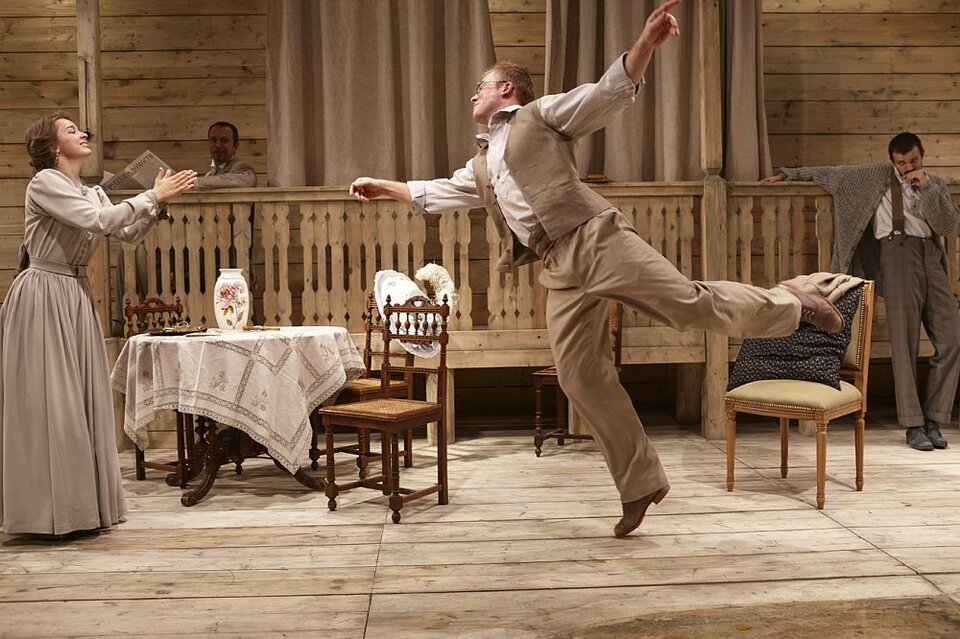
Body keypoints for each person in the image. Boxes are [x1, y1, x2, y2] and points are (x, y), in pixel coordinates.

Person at [348, 0, 844, 538]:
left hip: (594, 237)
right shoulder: (482, 162)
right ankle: (641, 482)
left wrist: (646, 43)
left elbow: (605, 95)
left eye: (481, 86)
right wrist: (385, 187)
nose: (473, 94)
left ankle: (794, 302)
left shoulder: (541, 115)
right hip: (557, 264)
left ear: (507, 89)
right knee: (579, 374)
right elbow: (440, 191)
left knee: (688, 304)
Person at [0, 112, 196, 537]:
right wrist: (151, 195)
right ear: (53, 147)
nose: (82, 133)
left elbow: (126, 233)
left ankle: (81, 508)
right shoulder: (45, 183)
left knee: (80, 399)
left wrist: (160, 201)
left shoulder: (91, 192)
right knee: (53, 402)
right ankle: (44, 512)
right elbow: (99, 222)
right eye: (71, 130)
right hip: (44, 294)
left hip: (74, 293)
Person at [763, 133, 960, 452]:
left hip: (931, 258)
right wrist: (788, 173)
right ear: (892, 161)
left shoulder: (934, 184)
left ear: (922, 155)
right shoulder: (871, 177)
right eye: (901, 162)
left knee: (952, 340)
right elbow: (829, 174)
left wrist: (927, 189)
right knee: (905, 341)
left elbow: (948, 225)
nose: (908, 167)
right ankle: (914, 424)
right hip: (896, 255)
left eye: (913, 160)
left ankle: (934, 418)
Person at [193, 121, 257, 190]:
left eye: (224, 141)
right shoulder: (209, 175)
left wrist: (195, 183)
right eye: (213, 140)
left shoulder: (242, 169)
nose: (218, 145)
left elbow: (248, 181)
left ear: (235, 146)